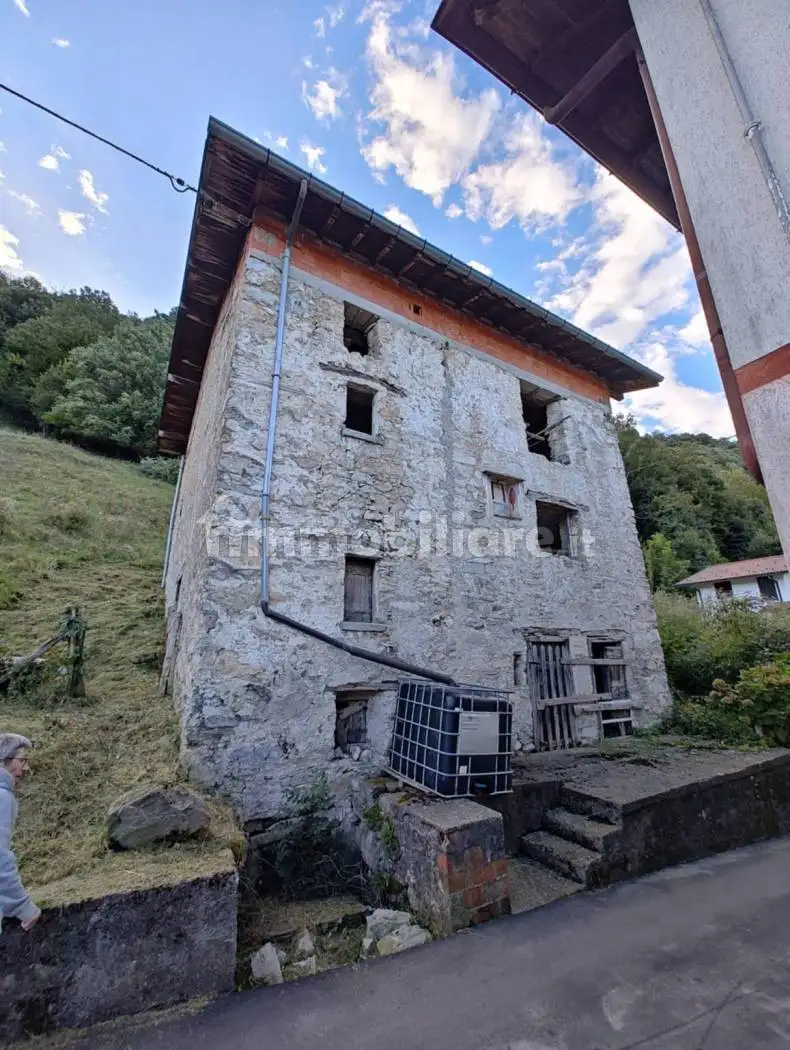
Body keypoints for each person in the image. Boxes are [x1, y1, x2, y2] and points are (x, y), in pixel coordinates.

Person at [0, 733, 40, 934]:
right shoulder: (2, 798)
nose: (26, 768)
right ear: (3, 760)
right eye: (21, 760)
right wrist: (22, 905)